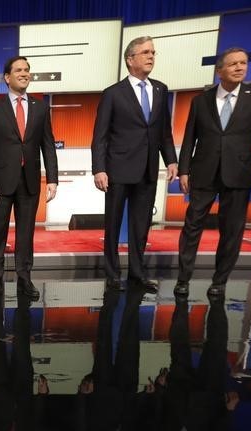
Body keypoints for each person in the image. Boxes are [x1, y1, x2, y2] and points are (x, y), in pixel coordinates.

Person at [174, 47, 251, 298]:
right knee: (192, 226)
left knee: (232, 230)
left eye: (244, 63)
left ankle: (219, 281)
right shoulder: (201, 100)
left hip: (238, 172)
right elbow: (190, 138)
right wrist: (184, 170)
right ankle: (183, 279)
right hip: (203, 171)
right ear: (220, 70)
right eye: (233, 64)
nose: (240, 68)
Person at [92, 36, 178, 293]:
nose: (151, 56)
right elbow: (100, 135)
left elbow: (164, 131)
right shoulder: (113, 93)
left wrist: (171, 160)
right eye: (145, 52)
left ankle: (138, 274)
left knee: (141, 226)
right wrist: (99, 168)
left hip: (148, 169)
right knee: (114, 223)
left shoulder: (161, 90)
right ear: (130, 59)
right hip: (118, 168)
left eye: (153, 52)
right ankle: (112, 274)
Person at [0, 56, 59, 300]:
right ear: (7, 77)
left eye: (27, 70)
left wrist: (53, 179)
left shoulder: (40, 107)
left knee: (26, 234)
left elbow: (48, 145)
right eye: (19, 70)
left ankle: (25, 279)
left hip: (30, 181)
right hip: (0, 183)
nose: (24, 73)